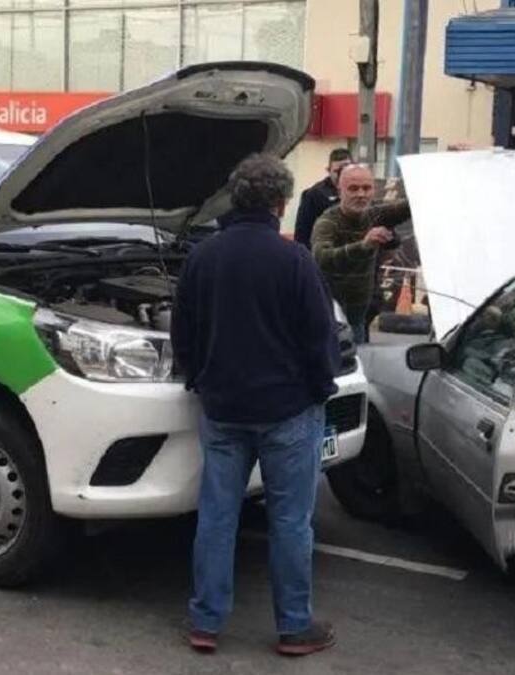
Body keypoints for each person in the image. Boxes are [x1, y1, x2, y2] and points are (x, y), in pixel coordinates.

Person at [171, 154, 340, 657]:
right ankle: (293, 627)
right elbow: (319, 337)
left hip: (223, 409)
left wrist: (199, 379)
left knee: (217, 516)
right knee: (290, 521)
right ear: (280, 202)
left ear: (235, 196)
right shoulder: (295, 260)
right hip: (287, 411)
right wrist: (319, 388)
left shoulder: (203, 257)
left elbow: (184, 332)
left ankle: (205, 621)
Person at [310, 164, 400, 344]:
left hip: (360, 314)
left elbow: (412, 204)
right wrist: (364, 245)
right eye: (353, 188)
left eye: (367, 188)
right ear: (340, 190)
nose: (361, 194)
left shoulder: (374, 213)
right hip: (329, 316)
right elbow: (321, 257)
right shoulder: (327, 221)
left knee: (360, 362)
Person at [293, 148, 351, 249]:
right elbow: (302, 234)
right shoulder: (314, 194)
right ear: (329, 170)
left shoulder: (361, 191)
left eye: (346, 170)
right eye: (338, 171)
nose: (343, 175)